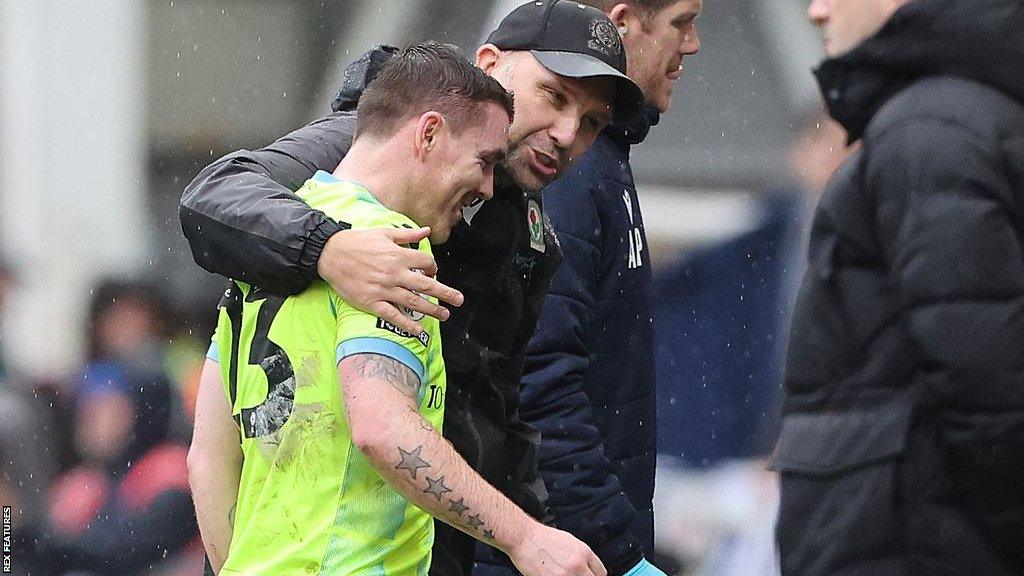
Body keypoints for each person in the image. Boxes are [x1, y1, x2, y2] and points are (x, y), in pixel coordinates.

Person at [181, 2, 644, 575]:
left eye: (593, 123)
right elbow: (213, 196)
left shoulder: (529, 233)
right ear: (490, 65)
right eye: (554, 96)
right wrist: (328, 249)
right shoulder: (360, 180)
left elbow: (499, 420)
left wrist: (545, 542)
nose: (570, 134)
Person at [772, 0, 1024, 574]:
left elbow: (985, 382)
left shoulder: (928, 130)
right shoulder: (954, 117)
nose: (816, 11)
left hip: (907, 535)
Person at [474, 2, 699, 574]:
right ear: (624, 20)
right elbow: (541, 385)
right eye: (682, 21)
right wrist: (620, 556)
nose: (692, 43)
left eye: (592, 121)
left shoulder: (594, 158)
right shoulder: (562, 171)